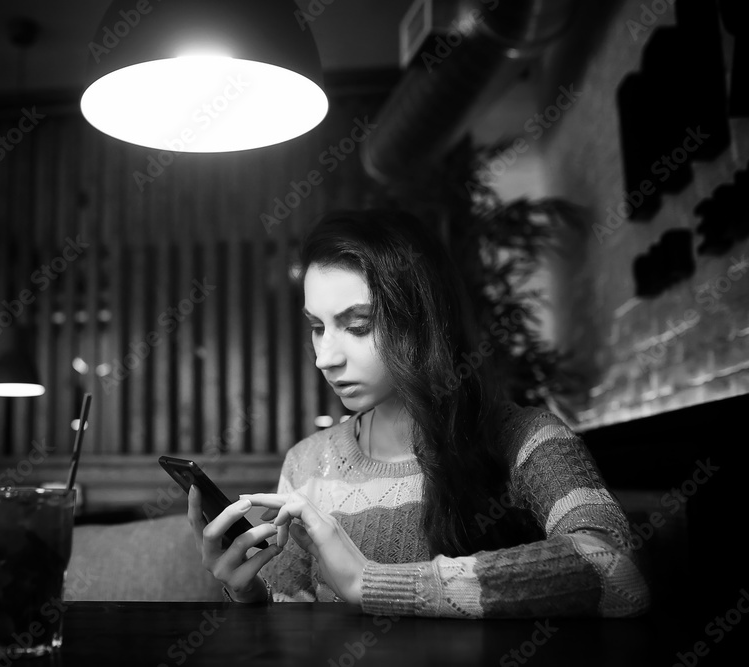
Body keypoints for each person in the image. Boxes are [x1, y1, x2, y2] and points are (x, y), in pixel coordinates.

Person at [187, 208, 650, 618]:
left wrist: (369, 584)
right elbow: (293, 618)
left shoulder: (525, 439)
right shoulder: (308, 463)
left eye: (358, 325)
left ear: (421, 320)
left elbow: (615, 571)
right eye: (316, 327)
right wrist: (247, 596)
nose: (324, 357)